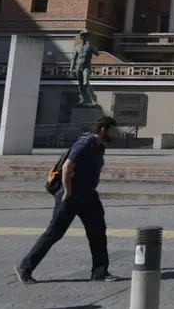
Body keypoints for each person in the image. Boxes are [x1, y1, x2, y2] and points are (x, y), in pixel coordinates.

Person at [15, 116, 121, 284]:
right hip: (72, 195)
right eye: (113, 131)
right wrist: (67, 191)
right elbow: (67, 166)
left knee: (98, 231)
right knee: (54, 233)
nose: (115, 134)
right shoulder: (85, 143)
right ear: (103, 130)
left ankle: (100, 272)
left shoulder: (99, 147)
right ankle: (25, 268)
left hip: (89, 195)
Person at [70, 30, 100, 106]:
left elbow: (97, 53)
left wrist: (93, 46)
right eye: (83, 36)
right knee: (80, 84)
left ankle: (93, 99)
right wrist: (71, 69)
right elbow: (73, 59)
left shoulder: (90, 46)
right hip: (78, 66)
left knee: (85, 83)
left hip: (86, 66)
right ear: (81, 37)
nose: (84, 37)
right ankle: (83, 99)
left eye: (86, 36)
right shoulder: (77, 48)